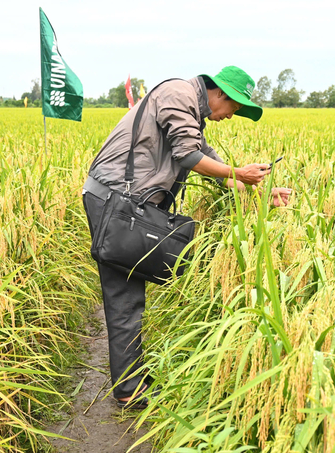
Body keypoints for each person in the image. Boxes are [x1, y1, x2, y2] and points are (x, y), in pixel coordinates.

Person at [82, 66, 292, 408]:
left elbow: (209, 162)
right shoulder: (178, 94)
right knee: (126, 293)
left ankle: (130, 380)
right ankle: (128, 389)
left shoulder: (191, 109)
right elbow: (188, 156)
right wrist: (239, 172)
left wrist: (261, 193)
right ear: (220, 93)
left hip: (124, 203)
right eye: (235, 108)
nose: (231, 116)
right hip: (115, 202)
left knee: (130, 294)